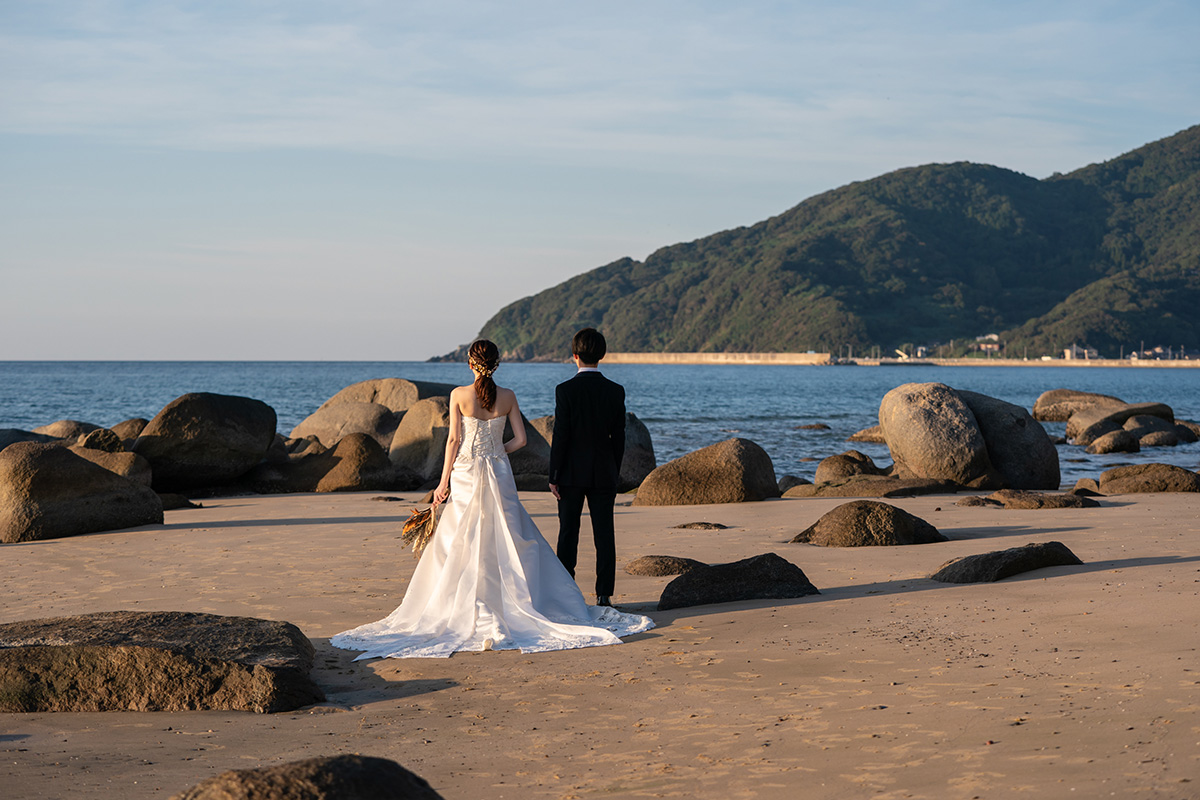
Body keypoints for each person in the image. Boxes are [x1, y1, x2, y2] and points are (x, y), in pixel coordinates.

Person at [331, 339, 653, 659]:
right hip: (498, 470)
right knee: (509, 533)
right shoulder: (509, 396)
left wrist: (443, 484)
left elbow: (455, 440)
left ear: (471, 363)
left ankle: (461, 602)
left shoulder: (459, 395)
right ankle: (544, 598)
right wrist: (498, 451)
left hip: (467, 471)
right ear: (496, 364)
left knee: (462, 535)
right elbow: (522, 439)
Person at [548, 328, 626, 607]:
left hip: (569, 472)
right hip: (604, 471)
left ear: (575, 356)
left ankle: (566, 591)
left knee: (568, 532)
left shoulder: (565, 390)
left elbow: (561, 435)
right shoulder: (615, 391)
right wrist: (614, 470)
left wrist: (553, 474)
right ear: (601, 355)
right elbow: (619, 438)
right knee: (604, 533)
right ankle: (604, 595)